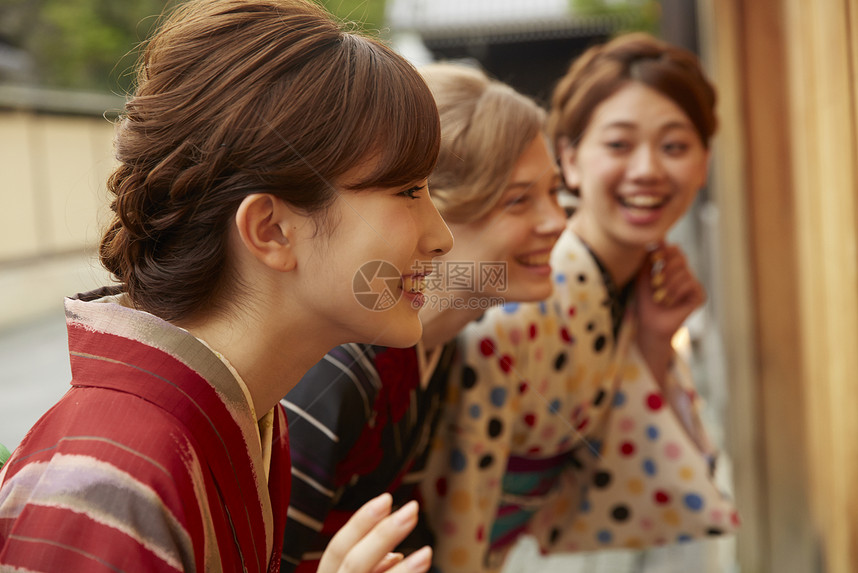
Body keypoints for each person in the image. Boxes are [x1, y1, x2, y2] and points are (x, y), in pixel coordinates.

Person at [0, 1, 454, 571]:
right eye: (408, 191)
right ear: (271, 229)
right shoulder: (110, 480)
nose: (441, 238)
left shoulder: (253, 418)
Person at [421, 32, 737, 571]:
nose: (648, 170)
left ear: (706, 161)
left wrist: (654, 341)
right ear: (567, 158)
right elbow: (461, 501)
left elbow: (636, 462)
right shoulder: (527, 297)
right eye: (618, 145)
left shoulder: (636, 288)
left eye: (676, 146)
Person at [280, 62, 568, 571]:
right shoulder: (343, 365)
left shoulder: (439, 345)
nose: (556, 221)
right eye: (520, 199)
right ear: (433, 205)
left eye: (555, 192)